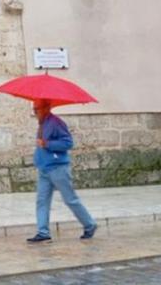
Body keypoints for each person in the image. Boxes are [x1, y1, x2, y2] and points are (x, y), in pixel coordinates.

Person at [26, 99, 97, 243]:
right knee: (42, 201)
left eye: (37, 109)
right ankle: (43, 232)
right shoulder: (42, 124)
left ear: (46, 108)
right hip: (44, 169)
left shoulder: (56, 122)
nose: (35, 112)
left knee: (70, 199)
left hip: (58, 168)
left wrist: (47, 144)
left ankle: (90, 225)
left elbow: (68, 143)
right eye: (34, 109)